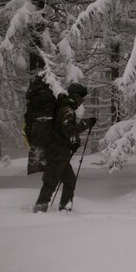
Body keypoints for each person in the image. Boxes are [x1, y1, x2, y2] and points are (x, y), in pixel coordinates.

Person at [33, 83, 96, 212]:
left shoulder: (63, 108)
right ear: (75, 96)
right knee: (51, 181)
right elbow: (70, 131)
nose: (81, 102)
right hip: (57, 153)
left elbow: (64, 132)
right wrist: (86, 123)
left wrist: (73, 142)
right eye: (81, 98)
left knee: (68, 180)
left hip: (58, 152)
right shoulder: (66, 110)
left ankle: (64, 207)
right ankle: (40, 208)